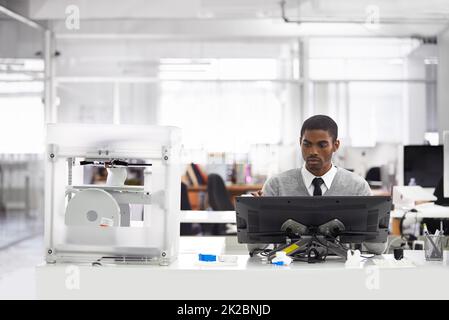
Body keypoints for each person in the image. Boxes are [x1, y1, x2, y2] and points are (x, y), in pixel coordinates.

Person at [252, 114, 385, 254]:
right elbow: (255, 249)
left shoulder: (357, 187)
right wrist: (258, 216)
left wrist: (370, 219)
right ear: (300, 142)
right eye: (307, 144)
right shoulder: (276, 185)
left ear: (336, 145)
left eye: (322, 145)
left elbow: (378, 249)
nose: (313, 151)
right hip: (288, 268)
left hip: (343, 269)